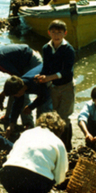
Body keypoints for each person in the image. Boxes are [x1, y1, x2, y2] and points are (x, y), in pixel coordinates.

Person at [0, 111, 68, 193]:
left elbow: (10, 156)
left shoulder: (26, 133)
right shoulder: (58, 142)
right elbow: (60, 175)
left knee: (22, 186)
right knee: (39, 182)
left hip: (7, 175)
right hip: (35, 182)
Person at [34, 19, 75, 151]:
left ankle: (67, 146)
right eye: (53, 32)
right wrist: (41, 76)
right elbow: (46, 67)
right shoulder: (46, 48)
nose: (56, 35)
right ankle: (56, 144)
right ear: (49, 33)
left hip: (67, 86)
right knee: (55, 116)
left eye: (59, 32)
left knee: (65, 117)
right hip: (54, 86)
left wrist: (49, 78)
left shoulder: (69, 49)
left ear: (65, 33)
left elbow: (67, 72)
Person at [2, 64, 52, 137]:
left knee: (44, 109)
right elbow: (17, 105)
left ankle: (45, 134)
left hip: (53, 80)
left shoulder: (35, 81)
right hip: (44, 85)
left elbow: (45, 96)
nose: (15, 97)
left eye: (15, 95)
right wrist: (12, 123)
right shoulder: (20, 85)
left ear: (20, 91)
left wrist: (31, 107)